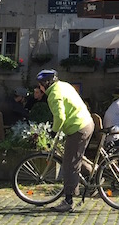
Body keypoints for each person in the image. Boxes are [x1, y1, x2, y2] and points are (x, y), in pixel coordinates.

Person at [36, 69, 94, 213]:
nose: (39, 88)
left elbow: (60, 117)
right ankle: (96, 173)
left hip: (78, 128)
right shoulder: (63, 85)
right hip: (85, 122)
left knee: (69, 164)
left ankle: (69, 200)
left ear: (45, 84)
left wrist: (53, 131)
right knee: (75, 156)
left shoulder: (54, 95)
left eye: (40, 85)